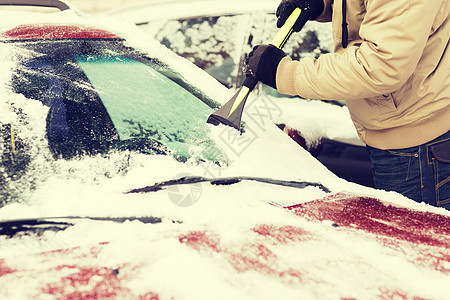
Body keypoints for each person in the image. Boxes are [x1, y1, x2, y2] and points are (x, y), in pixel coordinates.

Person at [244, 0, 450, 210]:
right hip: (402, 137)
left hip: (417, 149)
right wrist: (324, 5)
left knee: (412, 239)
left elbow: (379, 66)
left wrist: (286, 73)